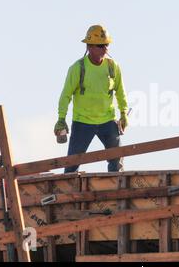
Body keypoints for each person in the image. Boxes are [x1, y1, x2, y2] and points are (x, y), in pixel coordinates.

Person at [54, 24, 129, 172]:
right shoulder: (77, 68)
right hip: (83, 122)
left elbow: (121, 92)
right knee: (71, 166)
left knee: (117, 162)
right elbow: (65, 95)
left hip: (107, 121)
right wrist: (61, 119)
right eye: (100, 46)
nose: (105, 49)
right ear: (89, 47)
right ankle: (67, 193)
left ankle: (115, 192)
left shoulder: (113, 67)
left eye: (106, 45)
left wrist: (123, 113)